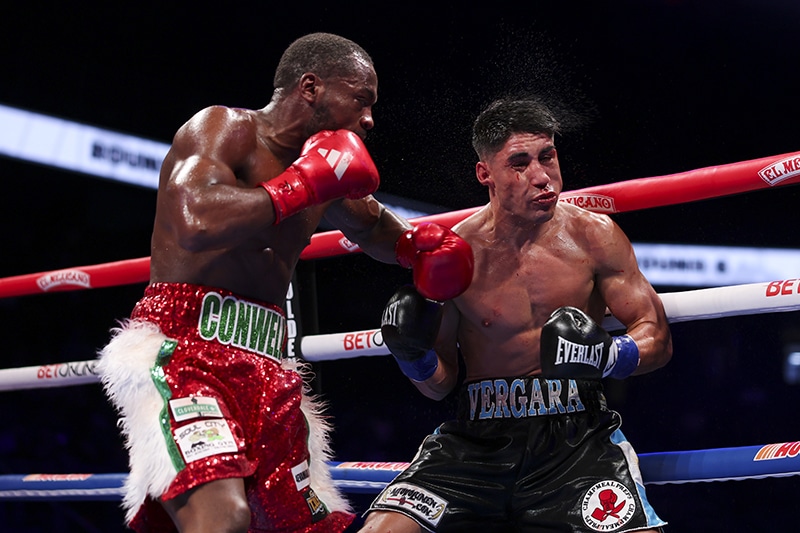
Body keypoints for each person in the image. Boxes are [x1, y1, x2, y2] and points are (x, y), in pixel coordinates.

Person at [97, 32, 473, 533]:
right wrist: (302, 184)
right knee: (222, 517)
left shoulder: (324, 163)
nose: (368, 118)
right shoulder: (225, 127)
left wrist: (415, 246)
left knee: (300, 525)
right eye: (361, 98)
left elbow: (373, 226)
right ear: (311, 87)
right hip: (185, 349)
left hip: (267, 363)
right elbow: (194, 220)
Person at [360, 98, 673, 532]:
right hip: (476, 441)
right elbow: (440, 385)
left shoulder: (594, 237)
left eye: (548, 156)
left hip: (575, 439)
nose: (542, 177)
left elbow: (656, 338)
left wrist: (606, 355)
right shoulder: (456, 254)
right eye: (520, 164)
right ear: (484, 173)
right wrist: (414, 356)